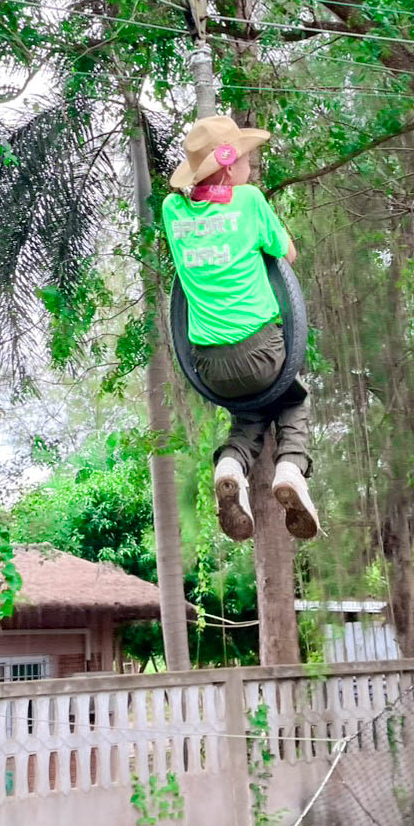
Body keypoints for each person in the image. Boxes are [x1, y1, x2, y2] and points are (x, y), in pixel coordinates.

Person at [162, 116, 319, 543]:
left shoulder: (172, 212)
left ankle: (230, 466)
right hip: (262, 351)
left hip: (208, 365)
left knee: (251, 414)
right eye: (247, 157)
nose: (251, 164)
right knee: (294, 400)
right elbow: (287, 254)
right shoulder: (248, 201)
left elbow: (197, 211)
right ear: (230, 167)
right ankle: (291, 470)